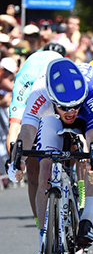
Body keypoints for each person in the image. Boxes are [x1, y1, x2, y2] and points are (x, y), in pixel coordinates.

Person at [7, 58, 93, 254]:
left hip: (92, 113)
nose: (70, 112)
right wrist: (18, 162)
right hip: (49, 118)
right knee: (46, 165)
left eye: (74, 106)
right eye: (65, 106)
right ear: (53, 99)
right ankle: (44, 250)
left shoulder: (90, 93)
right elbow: (26, 133)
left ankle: (87, 218)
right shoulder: (40, 93)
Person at [6, 49, 65, 226]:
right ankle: (41, 226)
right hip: (34, 99)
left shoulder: (57, 78)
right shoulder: (24, 83)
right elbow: (14, 129)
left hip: (57, 95)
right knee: (32, 171)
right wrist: (15, 160)